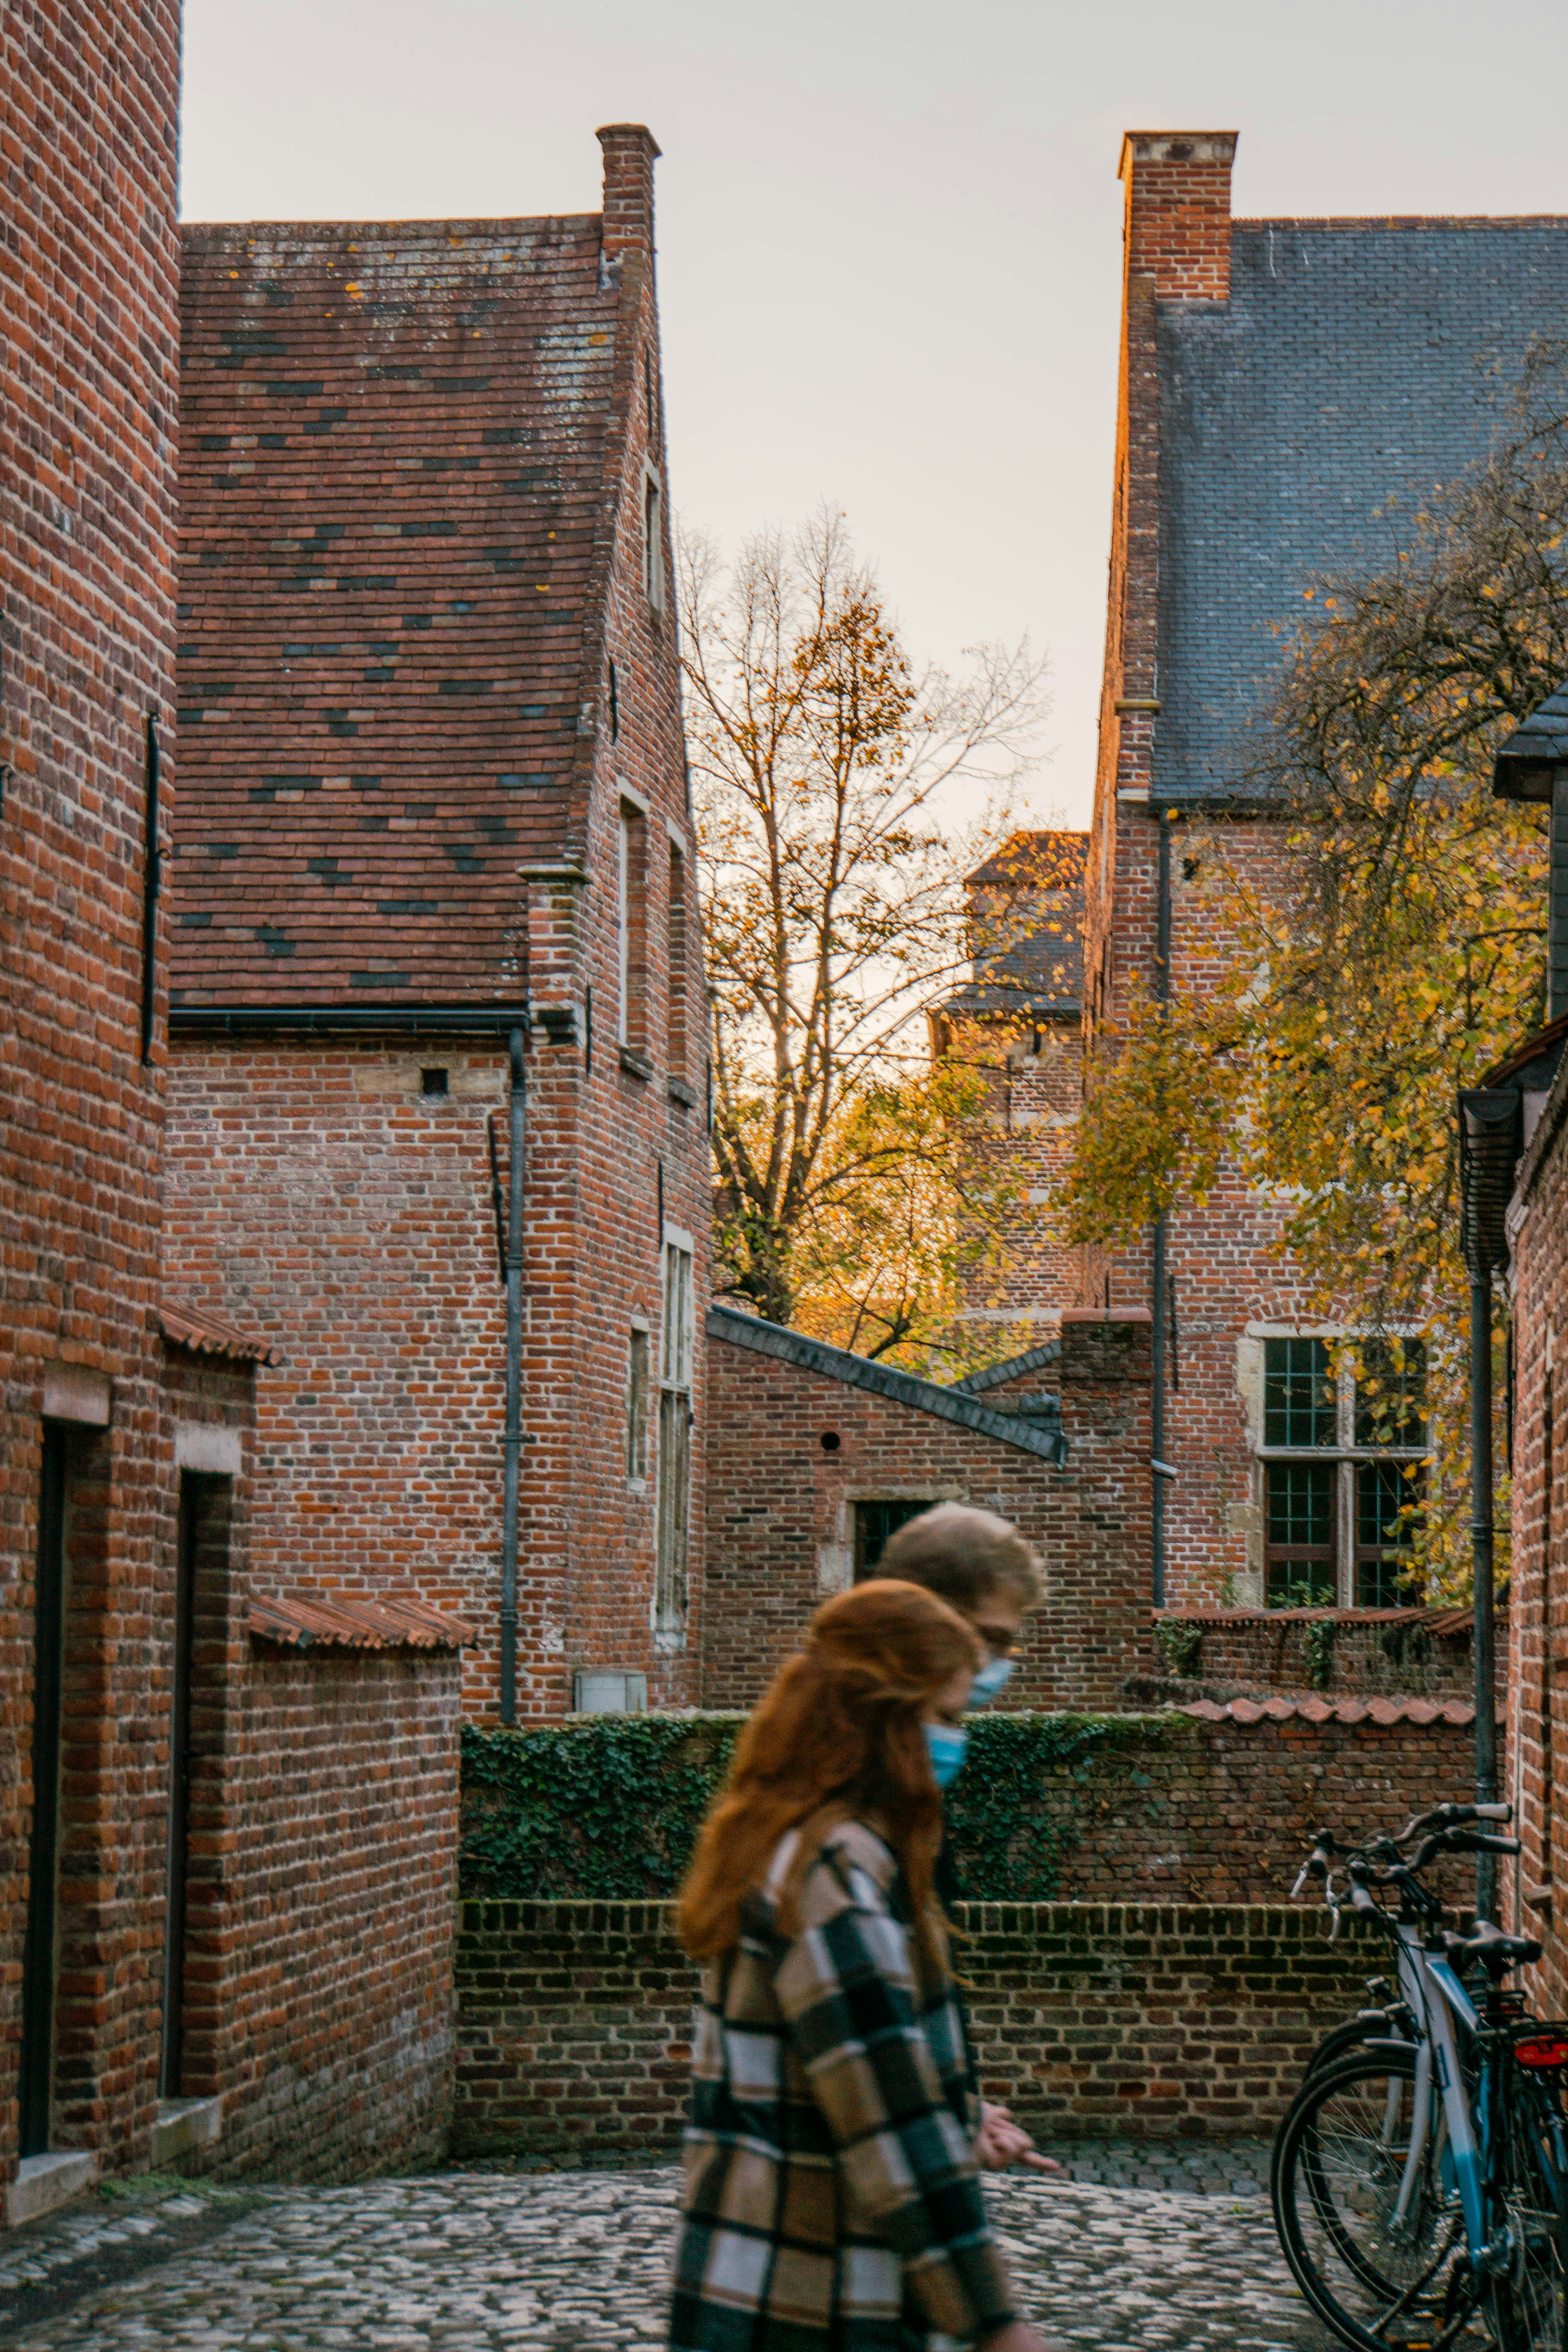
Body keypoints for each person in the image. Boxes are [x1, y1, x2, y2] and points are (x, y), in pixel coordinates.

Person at [670, 1579, 1050, 2352]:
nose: (956, 1741)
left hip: (763, 2278)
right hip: (809, 2299)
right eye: (946, 1717)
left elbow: (835, 2070)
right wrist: (995, 2322)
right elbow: (889, 2127)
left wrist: (956, 2116)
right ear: (886, 1717)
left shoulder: (800, 1844)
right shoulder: (833, 1871)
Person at [875, 1505, 1053, 2178]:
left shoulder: (911, 1790)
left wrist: (960, 2106)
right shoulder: (852, 1808)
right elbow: (845, 2043)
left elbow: (916, 1996)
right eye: (990, 1638)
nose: (995, 1666)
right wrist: (945, 2128)